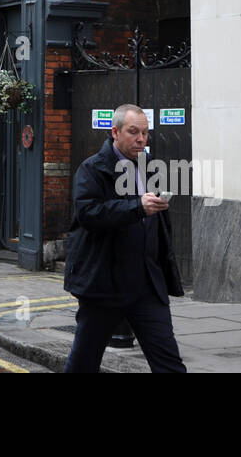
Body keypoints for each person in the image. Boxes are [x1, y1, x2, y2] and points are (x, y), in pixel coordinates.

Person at [63, 103, 186, 373]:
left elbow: (158, 225)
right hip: (105, 285)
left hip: (147, 286)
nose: (141, 139)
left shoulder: (151, 167)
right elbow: (88, 213)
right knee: (84, 362)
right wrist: (137, 208)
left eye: (145, 132)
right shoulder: (92, 169)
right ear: (115, 132)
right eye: (133, 132)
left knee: (169, 363)